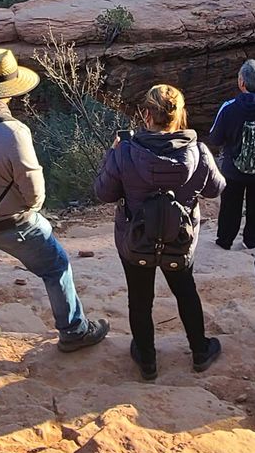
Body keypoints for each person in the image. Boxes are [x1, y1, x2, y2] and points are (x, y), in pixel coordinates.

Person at [0, 49, 109, 353]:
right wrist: (31, 211)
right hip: (11, 222)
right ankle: (73, 330)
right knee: (56, 266)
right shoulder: (12, 131)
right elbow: (33, 188)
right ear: (10, 90)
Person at [95, 84, 226, 381]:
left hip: (135, 241)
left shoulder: (126, 151)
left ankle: (147, 360)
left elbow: (103, 193)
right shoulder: (197, 151)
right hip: (178, 240)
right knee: (185, 291)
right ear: (179, 115)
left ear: (145, 114)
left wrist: (111, 154)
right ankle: (200, 351)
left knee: (140, 298)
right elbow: (216, 189)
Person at [205, 60, 255, 250]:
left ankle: (224, 241)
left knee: (230, 206)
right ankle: (251, 241)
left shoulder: (229, 107)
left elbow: (215, 138)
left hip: (233, 171)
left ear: (241, 82)